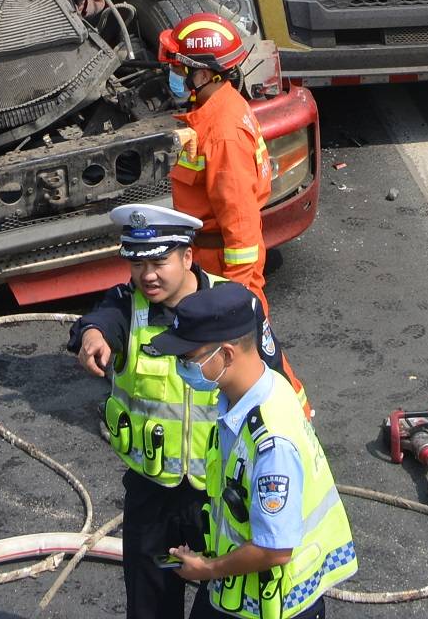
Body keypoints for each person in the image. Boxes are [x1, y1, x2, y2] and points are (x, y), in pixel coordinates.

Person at [73, 205, 285, 619]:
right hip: (152, 496)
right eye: (137, 264)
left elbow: (272, 384)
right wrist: (93, 336)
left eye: (158, 261)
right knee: (150, 608)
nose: (147, 275)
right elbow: (98, 321)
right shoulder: (125, 306)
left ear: (188, 257)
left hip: (221, 496)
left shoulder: (235, 306)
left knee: (227, 606)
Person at [152, 283, 357, 619]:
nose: (180, 366)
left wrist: (207, 568)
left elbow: (274, 548)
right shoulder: (257, 391)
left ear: (226, 354)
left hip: (271, 603)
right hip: (234, 589)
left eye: (187, 358)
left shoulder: (271, 442)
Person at [159, 13, 276, 310]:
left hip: (221, 266)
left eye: (178, 67)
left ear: (202, 74)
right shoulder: (218, 106)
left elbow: (241, 227)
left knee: (239, 353)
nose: (173, 74)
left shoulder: (223, 134)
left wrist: (236, 296)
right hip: (206, 258)